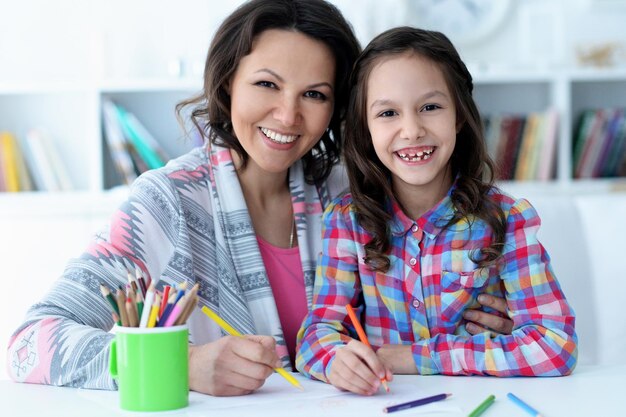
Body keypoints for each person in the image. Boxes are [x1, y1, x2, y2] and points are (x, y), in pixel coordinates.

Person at [5, 2, 511, 396]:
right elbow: (29, 345)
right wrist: (181, 365)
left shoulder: (351, 196)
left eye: (315, 94)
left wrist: (484, 318)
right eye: (267, 84)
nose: (288, 116)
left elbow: (412, 312)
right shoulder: (166, 205)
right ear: (227, 83)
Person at [295, 26, 578, 396]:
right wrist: (336, 360)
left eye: (430, 107)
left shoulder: (508, 220)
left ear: (459, 115)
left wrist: (419, 358)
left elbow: (556, 347)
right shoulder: (347, 220)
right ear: (365, 127)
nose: (411, 130)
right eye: (388, 113)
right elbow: (316, 335)